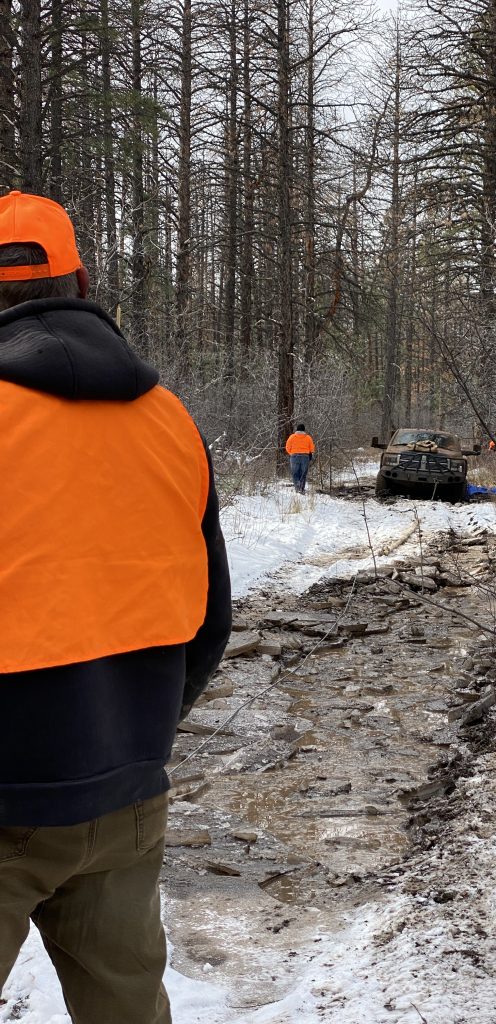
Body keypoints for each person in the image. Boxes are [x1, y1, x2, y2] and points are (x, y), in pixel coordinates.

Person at [0, 191, 232, 1024]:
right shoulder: (170, 421)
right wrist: (136, 736)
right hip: (130, 794)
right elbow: (210, 624)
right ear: (80, 278)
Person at [285, 422, 315, 494]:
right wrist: (309, 454)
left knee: (295, 473)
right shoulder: (308, 437)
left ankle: (297, 488)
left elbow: (287, 447)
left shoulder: (292, 437)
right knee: (303, 473)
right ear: (304, 430)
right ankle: (301, 489)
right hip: (305, 457)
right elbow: (312, 449)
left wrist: (291, 453)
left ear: (297, 430)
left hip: (294, 456)